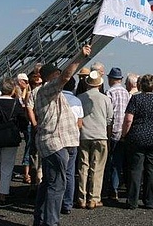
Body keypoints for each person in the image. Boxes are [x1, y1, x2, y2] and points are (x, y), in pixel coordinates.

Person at [32, 45, 91, 226]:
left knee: (49, 184)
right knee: (57, 186)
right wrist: (80, 57)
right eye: (57, 73)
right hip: (55, 143)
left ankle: (41, 219)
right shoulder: (48, 90)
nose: (61, 76)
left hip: (55, 142)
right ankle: (51, 223)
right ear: (51, 77)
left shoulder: (48, 92)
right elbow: (66, 76)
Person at [121, 74, 153, 210]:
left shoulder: (135, 99)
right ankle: (151, 201)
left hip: (137, 138)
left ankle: (132, 201)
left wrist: (124, 134)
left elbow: (128, 119)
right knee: (152, 169)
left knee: (136, 169)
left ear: (140, 85)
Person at [0, 77, 29, 207]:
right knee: (7, 167)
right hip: (10, 137)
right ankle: (3, 195)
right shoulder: (16, 104)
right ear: (13, 89)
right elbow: (23, 121)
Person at [77, 70, 113, 209]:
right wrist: (108, 137)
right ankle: (94, 198)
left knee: (83, 167)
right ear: (99, 84)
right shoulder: (105, 99)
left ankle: (81, 197)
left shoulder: (80, 98)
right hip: (100, 134)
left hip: (84, 135)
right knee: (97, 168)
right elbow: (109, 120)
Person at [104, 67, 130, 200]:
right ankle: (116, 187)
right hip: (124, 130)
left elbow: (108, 113)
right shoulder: (126, 92)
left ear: (110, 79)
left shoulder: (109, 92)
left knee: (109, 161)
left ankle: (108, 188)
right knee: (119, 162)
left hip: (112, 129)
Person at [61, 77, 84, 214]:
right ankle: (67, 203)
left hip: (58, 139)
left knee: (56, 173)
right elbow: (80, 124)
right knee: (69, 173)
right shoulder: (77, 101)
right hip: (72, 140)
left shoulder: (56, 99)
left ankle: (55, 202)